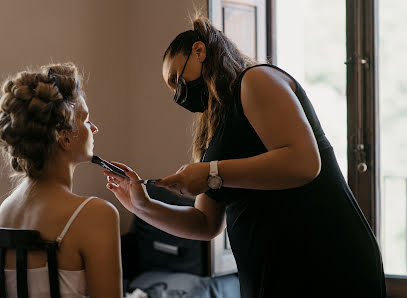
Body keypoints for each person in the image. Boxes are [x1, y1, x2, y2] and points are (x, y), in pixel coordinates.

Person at [105, 17, 386, 297]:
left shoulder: (256, 80)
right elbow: (205, 223)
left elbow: (304, 163)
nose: (180, 96)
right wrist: (142, 206)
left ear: (199, 51)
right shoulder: (217, 130)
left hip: (324, 266)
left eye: (177, 79)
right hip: (273, 278)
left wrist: (210, 173)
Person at [0, 63, 122, 298]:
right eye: (86, 120)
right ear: (65, 137)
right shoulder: (97, 215)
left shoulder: (3, 212)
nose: (94, 128)